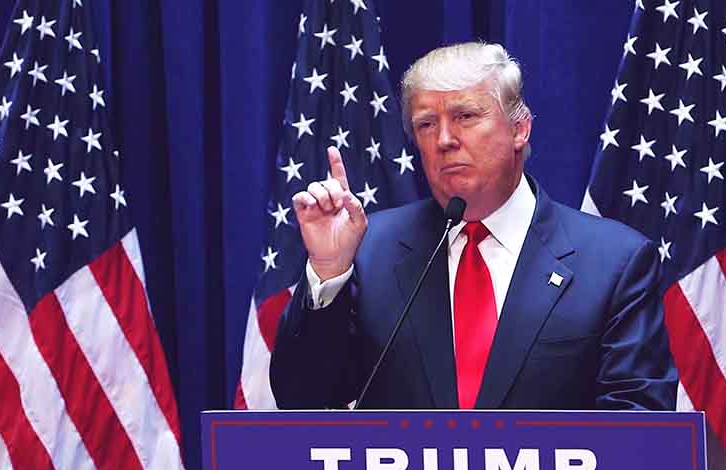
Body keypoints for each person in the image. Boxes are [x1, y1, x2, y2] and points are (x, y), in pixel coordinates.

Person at [270, 42, 677, 414]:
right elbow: (304, 397)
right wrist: (329, 269)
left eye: (465, 115)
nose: (445, 139)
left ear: (519, 128)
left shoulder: (613, 263)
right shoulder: (368, 248)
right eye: (427, 124)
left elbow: (638, 430)